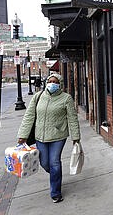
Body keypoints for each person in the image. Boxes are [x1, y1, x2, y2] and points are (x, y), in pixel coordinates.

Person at [17, 73, 80, 203]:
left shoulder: (66, 98)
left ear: (60, 84)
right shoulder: (38, 97)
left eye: (55, 81)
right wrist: (22, 135)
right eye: (50, 81)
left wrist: (76, 137)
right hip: (40, 136)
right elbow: (29, 116)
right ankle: (55, 176)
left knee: (55, 162)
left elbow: (72, 119)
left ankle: (55, 192)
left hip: (58, 136)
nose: (51, 83)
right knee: (45, 163)